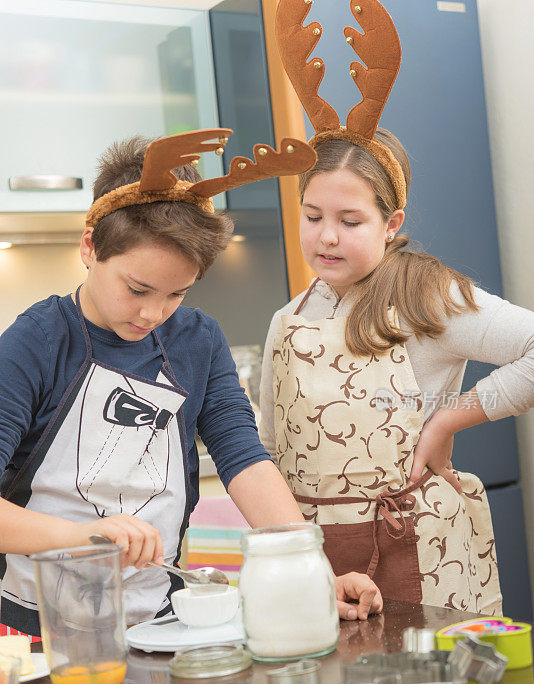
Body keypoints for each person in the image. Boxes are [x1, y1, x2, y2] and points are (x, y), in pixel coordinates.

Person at [0, 130, 382, 639]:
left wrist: (311, 571)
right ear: (90, 246)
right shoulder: (38, 341)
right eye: (137, 289)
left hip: (157, 622)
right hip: (30, 625)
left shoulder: (197, 341)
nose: (152, 313)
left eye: (175, 293)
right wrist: (82, 535)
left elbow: (244, 459)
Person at [260, 0, 534, 614]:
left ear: (392, 224)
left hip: (418, 546)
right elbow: (270, 448)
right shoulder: (288, 319)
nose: (327, 236)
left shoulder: (424, 296)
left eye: (350, 220)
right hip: (318, 566)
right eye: (313, 217)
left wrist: (447, 420)